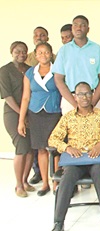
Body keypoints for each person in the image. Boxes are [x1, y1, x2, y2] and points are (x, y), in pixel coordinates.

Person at [47, 82, 100, 231]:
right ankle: (58, 223)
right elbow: (53, 139)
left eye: (88, 93)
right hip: (75, 160)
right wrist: (67, 148)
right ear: (75, 96)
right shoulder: (68, 117)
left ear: (93, 94)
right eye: (80, 94)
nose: (85, 97)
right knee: (66, 180)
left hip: (96, 159)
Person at [18, 42, 62, 197]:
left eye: (46, 52)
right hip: (35, 114)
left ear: (51, 54)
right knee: (41, 149)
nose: (43, 55)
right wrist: (21, 120)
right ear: (35, 55)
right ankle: (45, 183)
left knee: (55, 149)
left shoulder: (58, 70)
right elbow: (25, 97)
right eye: (40, 53)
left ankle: (56, 182)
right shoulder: (30, 73)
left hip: (54, 112)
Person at [53, 15, 100, 115]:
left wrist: (92, 103)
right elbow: (58, 79)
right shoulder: (63, 51)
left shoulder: (97, 49)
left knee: (96, 131)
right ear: (72, 28)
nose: (78, 28)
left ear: (88, 29)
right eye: (75, 25)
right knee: (71, 131)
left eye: (82, 25)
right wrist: (76, 105)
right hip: (70, 100)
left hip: (94, 99)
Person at [0, 41, 34, 198]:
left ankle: (25, 180)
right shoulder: (5, 70)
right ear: (11, 51)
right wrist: (22, 114)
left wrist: (27, 113)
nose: (21, 54)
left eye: (24, 52)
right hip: (13, 114)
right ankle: (18, 185)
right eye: (17, 51)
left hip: (30, 113)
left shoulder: (29, 70)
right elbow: (7, 96)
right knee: (21, 146)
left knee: (30, 148)